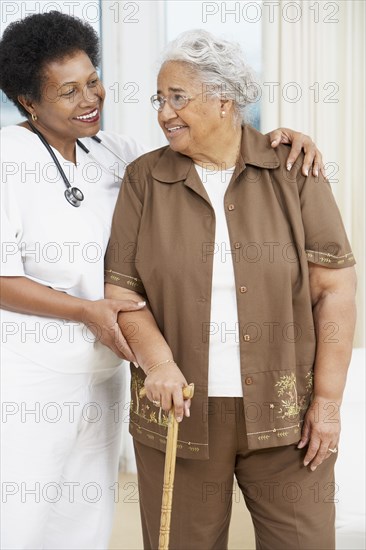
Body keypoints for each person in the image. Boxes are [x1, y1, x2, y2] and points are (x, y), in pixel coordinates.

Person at [0, 12, 324, 550]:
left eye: (93, 80)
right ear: (30, 103)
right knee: (21, 516)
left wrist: (276, 140)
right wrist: (85, 311)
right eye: (68, 92)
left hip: (104, 372)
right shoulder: (7, 160)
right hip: (32, 377)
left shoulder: (114, 153)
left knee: (85, 519)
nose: (90, 99)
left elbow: (208, 141)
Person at [104, 30, 357, 550]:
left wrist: (328, 403)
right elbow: (123, 296)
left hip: (287, 417)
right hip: (180, 413)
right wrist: (159, 364)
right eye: (160, 99)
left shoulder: (295, 169)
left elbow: (334, 290)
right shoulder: (143, 180)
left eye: (178, 97)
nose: (164, 113)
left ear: (224, 99)